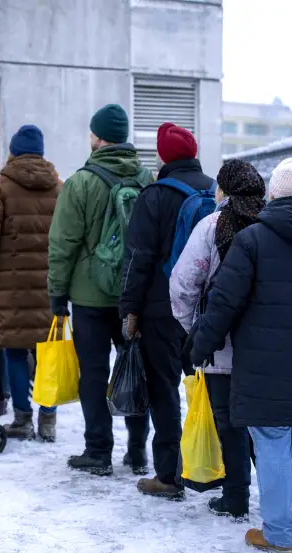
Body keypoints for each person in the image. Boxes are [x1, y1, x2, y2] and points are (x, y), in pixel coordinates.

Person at [190, 157, 292, 553]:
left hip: (264, 367)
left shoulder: (252, 241)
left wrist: (201, 345)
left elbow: (225, 302)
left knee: (272, 440)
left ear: (275, 192)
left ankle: (279, 533)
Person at [47, 104, 153, 476]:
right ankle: (137, 451)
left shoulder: (80, 182)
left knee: (92, 374)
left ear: (98, 137)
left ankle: (98, 451)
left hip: (89, 297)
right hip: (134, 297)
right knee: (135, 368)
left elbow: (63, 243)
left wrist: (57, 293)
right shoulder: (146, 179)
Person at [117, 122, 214, 499]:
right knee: (206, 388)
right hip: (207, 309)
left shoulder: (155, 196)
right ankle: (212, 468)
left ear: (163, 156)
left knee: (164, 390)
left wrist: (130, 308)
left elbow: (137, 258)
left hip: (162, 309)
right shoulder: (214, 190)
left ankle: (169, 475)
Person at [169, 159, 267, 520]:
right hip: (263, 346)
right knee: (265, 426)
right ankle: (275, 498)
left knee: (228, 424)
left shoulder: (212, 227)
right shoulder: (270, 226)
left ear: (222, 190)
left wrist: (195, 328)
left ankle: (235, 497)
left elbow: (183, 284)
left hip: (219, 344)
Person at [0, 125, 61, 441]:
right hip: (50, 286)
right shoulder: (59, 188)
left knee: (16, 351)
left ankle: (22, 419)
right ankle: (48, 420)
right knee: (47, 353)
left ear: (13, 151)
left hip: (11, 286)